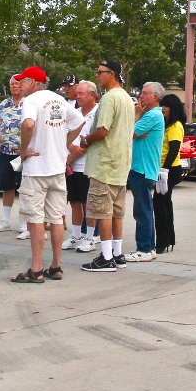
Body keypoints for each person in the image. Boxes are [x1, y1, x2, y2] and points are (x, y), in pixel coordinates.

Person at [12, 67, 83, 283]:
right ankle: (56, 265)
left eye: (23, 81)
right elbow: (79, 121)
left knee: (35, 219)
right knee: (56, 218)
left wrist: (24, 149)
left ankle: (36, 269)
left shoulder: (31, 101)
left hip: (37, 168)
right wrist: (63, 143)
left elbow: (28, 124)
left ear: (33, 82)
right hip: (57, 168)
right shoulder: (58, 99)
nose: (20, 85)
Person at [80, 60, 135, 272]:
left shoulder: (110, 97)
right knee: (116, 212)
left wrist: (86, 139)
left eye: (100, 72)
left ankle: (105, 257)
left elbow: (102, 130)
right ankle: (117, 252)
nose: (97, 75)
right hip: (121, 163)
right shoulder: (127, 98)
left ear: (112, 74)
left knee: (102, 211)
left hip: (105, 163)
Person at [123, 82, 166, 263]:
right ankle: (150, 247)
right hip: (143, 169)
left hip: (142, 169)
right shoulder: (152, 115)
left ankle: (144, 248)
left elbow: (128, 133)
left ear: (155, 97)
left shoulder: (152, 115)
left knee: (142, 211)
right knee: (145, 209)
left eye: (145, 93)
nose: (141, 96)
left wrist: (137, 114)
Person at [66, 80, 100, 253]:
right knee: (74, 201)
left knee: (89, 203)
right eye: (77, 93)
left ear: (92, 95)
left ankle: (90, 237)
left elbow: (91, 139)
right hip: (73, 165)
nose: (77, 96)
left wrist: (72, 156)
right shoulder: (74, 113)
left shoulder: (98, 113)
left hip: (88, 165)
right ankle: (76, 235)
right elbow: (66, 134)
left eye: (81, 93)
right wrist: (69, 147)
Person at [0, 75, 26, 236]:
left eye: (17, 83)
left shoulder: (29, 103)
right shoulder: (4, 105)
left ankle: (25, 223)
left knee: (25, 189)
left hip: (23, 153)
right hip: (5, 152)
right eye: (12, 84)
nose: (14, 86)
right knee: (7, 186)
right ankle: (5, 220)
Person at [154, 94, 186, 255]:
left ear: (173, 108)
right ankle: (168, 239)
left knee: (159, 204)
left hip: (170, 169)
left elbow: (174, 150)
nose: (163, 108)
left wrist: (164, 171)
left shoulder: (176, 126)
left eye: (166, 106)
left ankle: (162, 241)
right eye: (162, 105)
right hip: (162, 169)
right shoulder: (166, 124)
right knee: (165, 204)